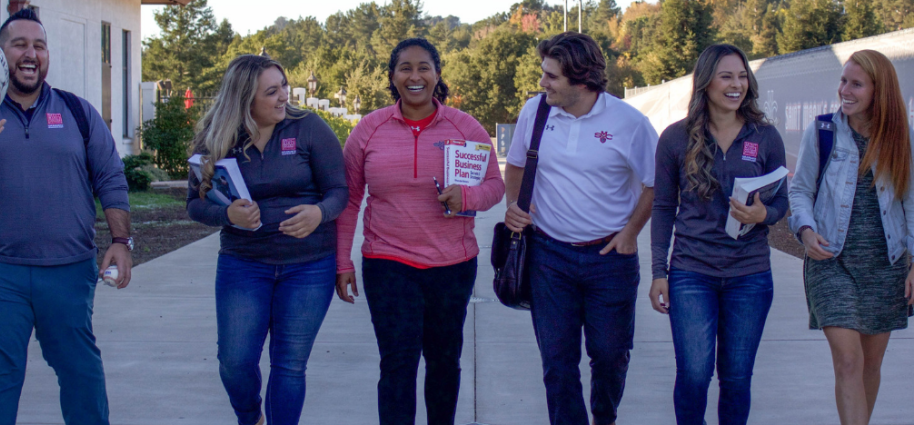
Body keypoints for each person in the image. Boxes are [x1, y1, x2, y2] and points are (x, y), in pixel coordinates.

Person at [0, 8, 132, 425]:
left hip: (68, 269)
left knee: (80, 370)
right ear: (0, 56)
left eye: (39, 45)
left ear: (46, 56)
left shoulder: (77, 112)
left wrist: (120, 241)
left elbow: (111, 178)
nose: (30, 53)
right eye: (19, 44)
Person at [335, 38, 503, 425]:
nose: (415, 76)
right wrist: (342, 261)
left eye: (423, 67)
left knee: (445, 362)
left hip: (452, 265)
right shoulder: (369, 130)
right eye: (405, 68)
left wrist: (468, 196)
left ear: (437, 74)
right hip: (387, 263)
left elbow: (496, 186)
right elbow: (349, 200)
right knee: (397, 363)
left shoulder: (466, 127)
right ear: (392, 77)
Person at [503, 32, 657, 425]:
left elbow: (657, 183)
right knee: (557, 360)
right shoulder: (534, 112)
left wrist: (630, 233)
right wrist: (514, 206)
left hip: (610, 258)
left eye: (551, 77)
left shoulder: (629, 123)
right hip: (549, 256)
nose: (543, 83)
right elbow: (517, 163)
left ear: (582, 80)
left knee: (609, 355)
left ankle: (604, 417)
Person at [186, 54, 347, 425]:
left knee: (289, 364)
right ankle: (250, 417)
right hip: (244, 263)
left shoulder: (308, 128)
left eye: (284, 87)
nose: (283, 98)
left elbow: (339, 189)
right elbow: (194, 205)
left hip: (308, 264)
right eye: (271, 92)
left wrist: (319, 213)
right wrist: (227, 214)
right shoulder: (217, 138)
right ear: (245, 99)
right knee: (235, 361)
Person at [649, 44, 788, 425]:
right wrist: (658, 272)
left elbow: (782, 204)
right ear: (706, 82)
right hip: (692, 273)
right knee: (694, 377)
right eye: (726, 76)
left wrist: (764, 213)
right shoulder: (675, 139)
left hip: (750, 275)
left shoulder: (766, 137)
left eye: (742, 76)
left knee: (737, 379)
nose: (736, 84)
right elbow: (663, 208)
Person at [788, 49, 914, 425]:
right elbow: (800, 190)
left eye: (856, 84)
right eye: (844, 81)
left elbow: (911, 202)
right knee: (848, 360)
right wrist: (806, 229)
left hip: (885, 266)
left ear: (880, 90)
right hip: (831, 261)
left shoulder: (901, 138)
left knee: (870, 365)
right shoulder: (823, 130)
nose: (845, 90)